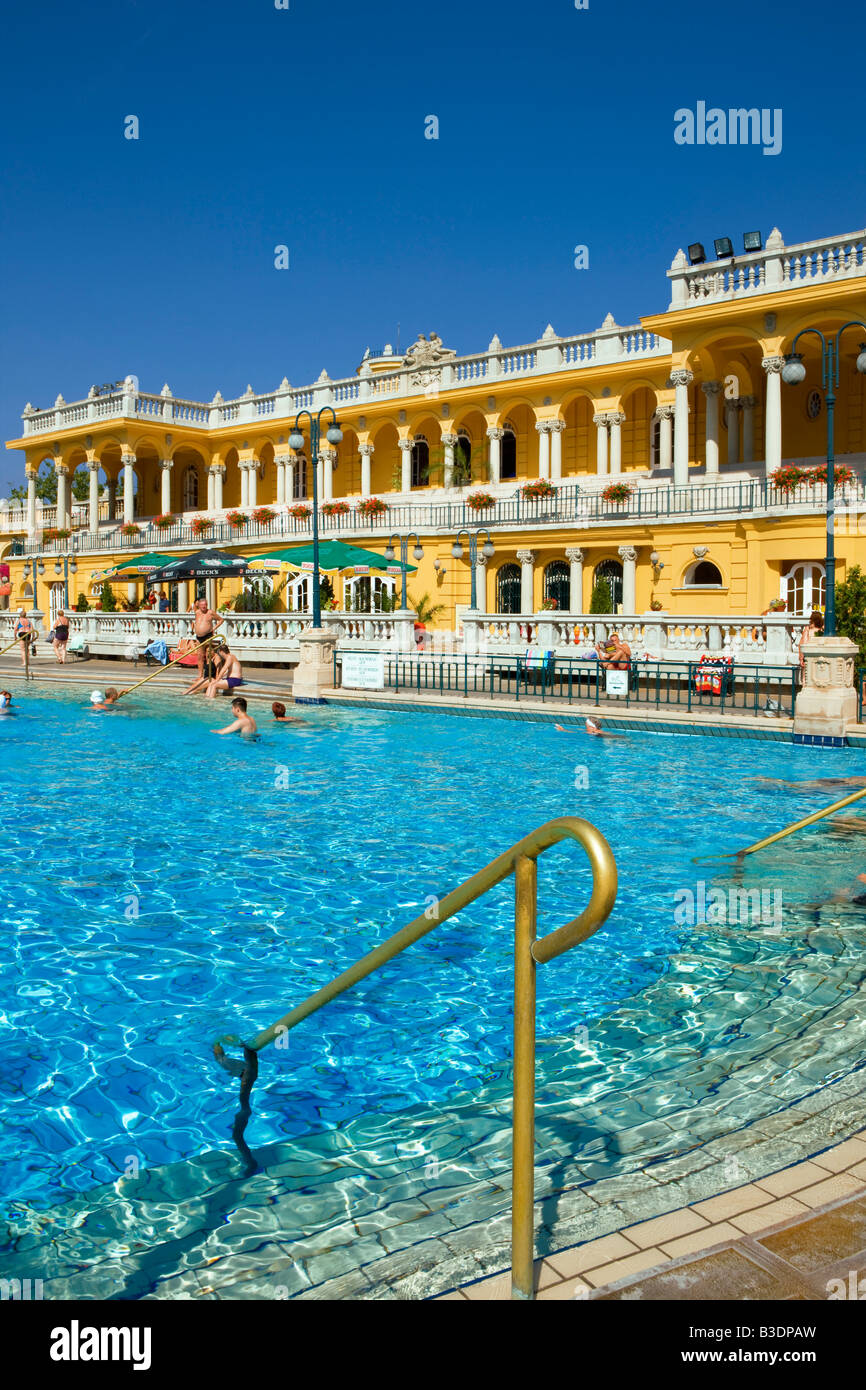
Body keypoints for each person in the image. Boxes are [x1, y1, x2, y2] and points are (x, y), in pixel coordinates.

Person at [192, 598, 223, 682]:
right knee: (200, 656)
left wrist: (214, 628)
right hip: (199, 637)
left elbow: (221, 620)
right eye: (202, 605)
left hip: (208, 636)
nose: (203, 607)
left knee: (209, 655)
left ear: (207, 605)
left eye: (205, 605)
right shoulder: (197, 612)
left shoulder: (210, 612)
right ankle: (200, 675)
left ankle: (210, 675)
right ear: (199, 605)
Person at [798, 609, 824, 678]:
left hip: (808, 658)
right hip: (820, 659)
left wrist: (801, 658)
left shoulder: (808, 630)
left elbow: (803, 643)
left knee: (807, 679)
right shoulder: (822, 631)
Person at [554, 716, 627, 738]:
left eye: (586, 725)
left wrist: (563, 730)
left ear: (591, 727)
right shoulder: (596, 731)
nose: (586, 727)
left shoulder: (593, 732)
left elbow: (576, 733)